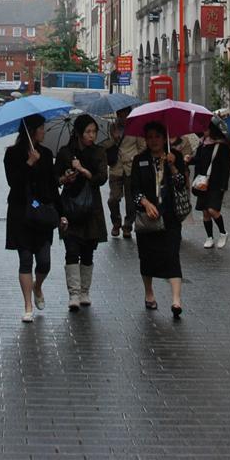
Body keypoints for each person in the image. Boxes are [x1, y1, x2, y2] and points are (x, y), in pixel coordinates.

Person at [128, 121, 189, 318]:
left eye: (157, 136)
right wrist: (145, 203)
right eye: (150, 137)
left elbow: (181, 185)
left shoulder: (175, 156)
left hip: (170, 216)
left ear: (165, 138)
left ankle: (176, 300)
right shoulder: (140, 160)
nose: (154, 140)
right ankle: (149, 293)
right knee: (147, 256)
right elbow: (134, 189)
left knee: (172, 254)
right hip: (147, 218)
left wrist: (172, 167)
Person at [4, 113, 61, 321]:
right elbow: (13, 183)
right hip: (20, 212)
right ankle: (28, 305)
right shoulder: (11, 154)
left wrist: (61, 213)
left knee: (44, 261)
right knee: (25, 259)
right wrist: (28, 162)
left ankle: (38, 286)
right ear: (31, 130)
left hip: (43, 213)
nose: (44, 131)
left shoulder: (46, 154)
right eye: (41, 128)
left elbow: (52, 186)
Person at [55, 113, 109, 311]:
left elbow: (102, 178)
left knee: (88, 251)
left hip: (91, 208)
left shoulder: (99, 152)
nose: (92, 136)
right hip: (69, 207)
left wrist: (84, 171)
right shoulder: (65, 153)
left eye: (94, 132)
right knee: (72, 250)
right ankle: (74, 294)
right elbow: (55, 178)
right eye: (88, 132)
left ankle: (85, 291)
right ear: (78, 133)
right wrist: (65, 178)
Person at [191, 119, 230, 249]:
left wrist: (223, 186)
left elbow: (226, 168)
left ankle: (223, 232)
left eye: (206, 128)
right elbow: (197, 160)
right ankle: (209, 237)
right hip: (202, 183)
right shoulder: (202, 143)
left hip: (216, 183)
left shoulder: (222, 146)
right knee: (205, 212)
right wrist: (188, 160)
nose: (204, 131)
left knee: (212, 210)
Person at [104, 107, 141, 239]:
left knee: (131, 200)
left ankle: (127, 226)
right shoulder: (111, 127)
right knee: (113, 199)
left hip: (131, 168)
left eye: (126, 114)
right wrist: (113, 139)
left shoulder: (135, 127)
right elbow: (104, 145)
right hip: (116, 168)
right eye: (120, 114)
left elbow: (141, 147)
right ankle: (116, 222)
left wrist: (134, 159)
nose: (123, 117)